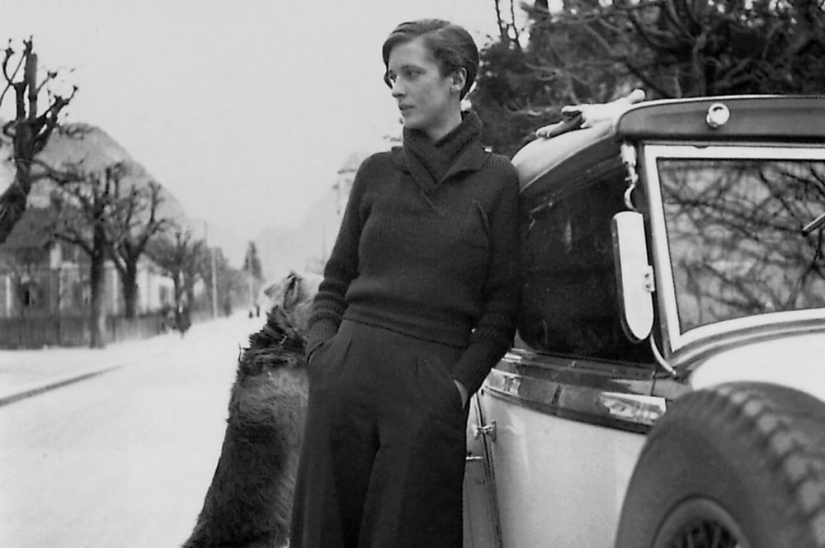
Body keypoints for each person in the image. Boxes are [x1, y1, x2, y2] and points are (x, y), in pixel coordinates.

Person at [289, 18, 520, 548]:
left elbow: (502, 310)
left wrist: (454, 390)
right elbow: (336, 280)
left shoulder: (497, 181)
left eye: (411, 73)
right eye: (391, 77)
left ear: (457, 79)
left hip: (428, 394)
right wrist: (322, 358)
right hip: (344, 379)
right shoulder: (375, 173)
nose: (397, 89)